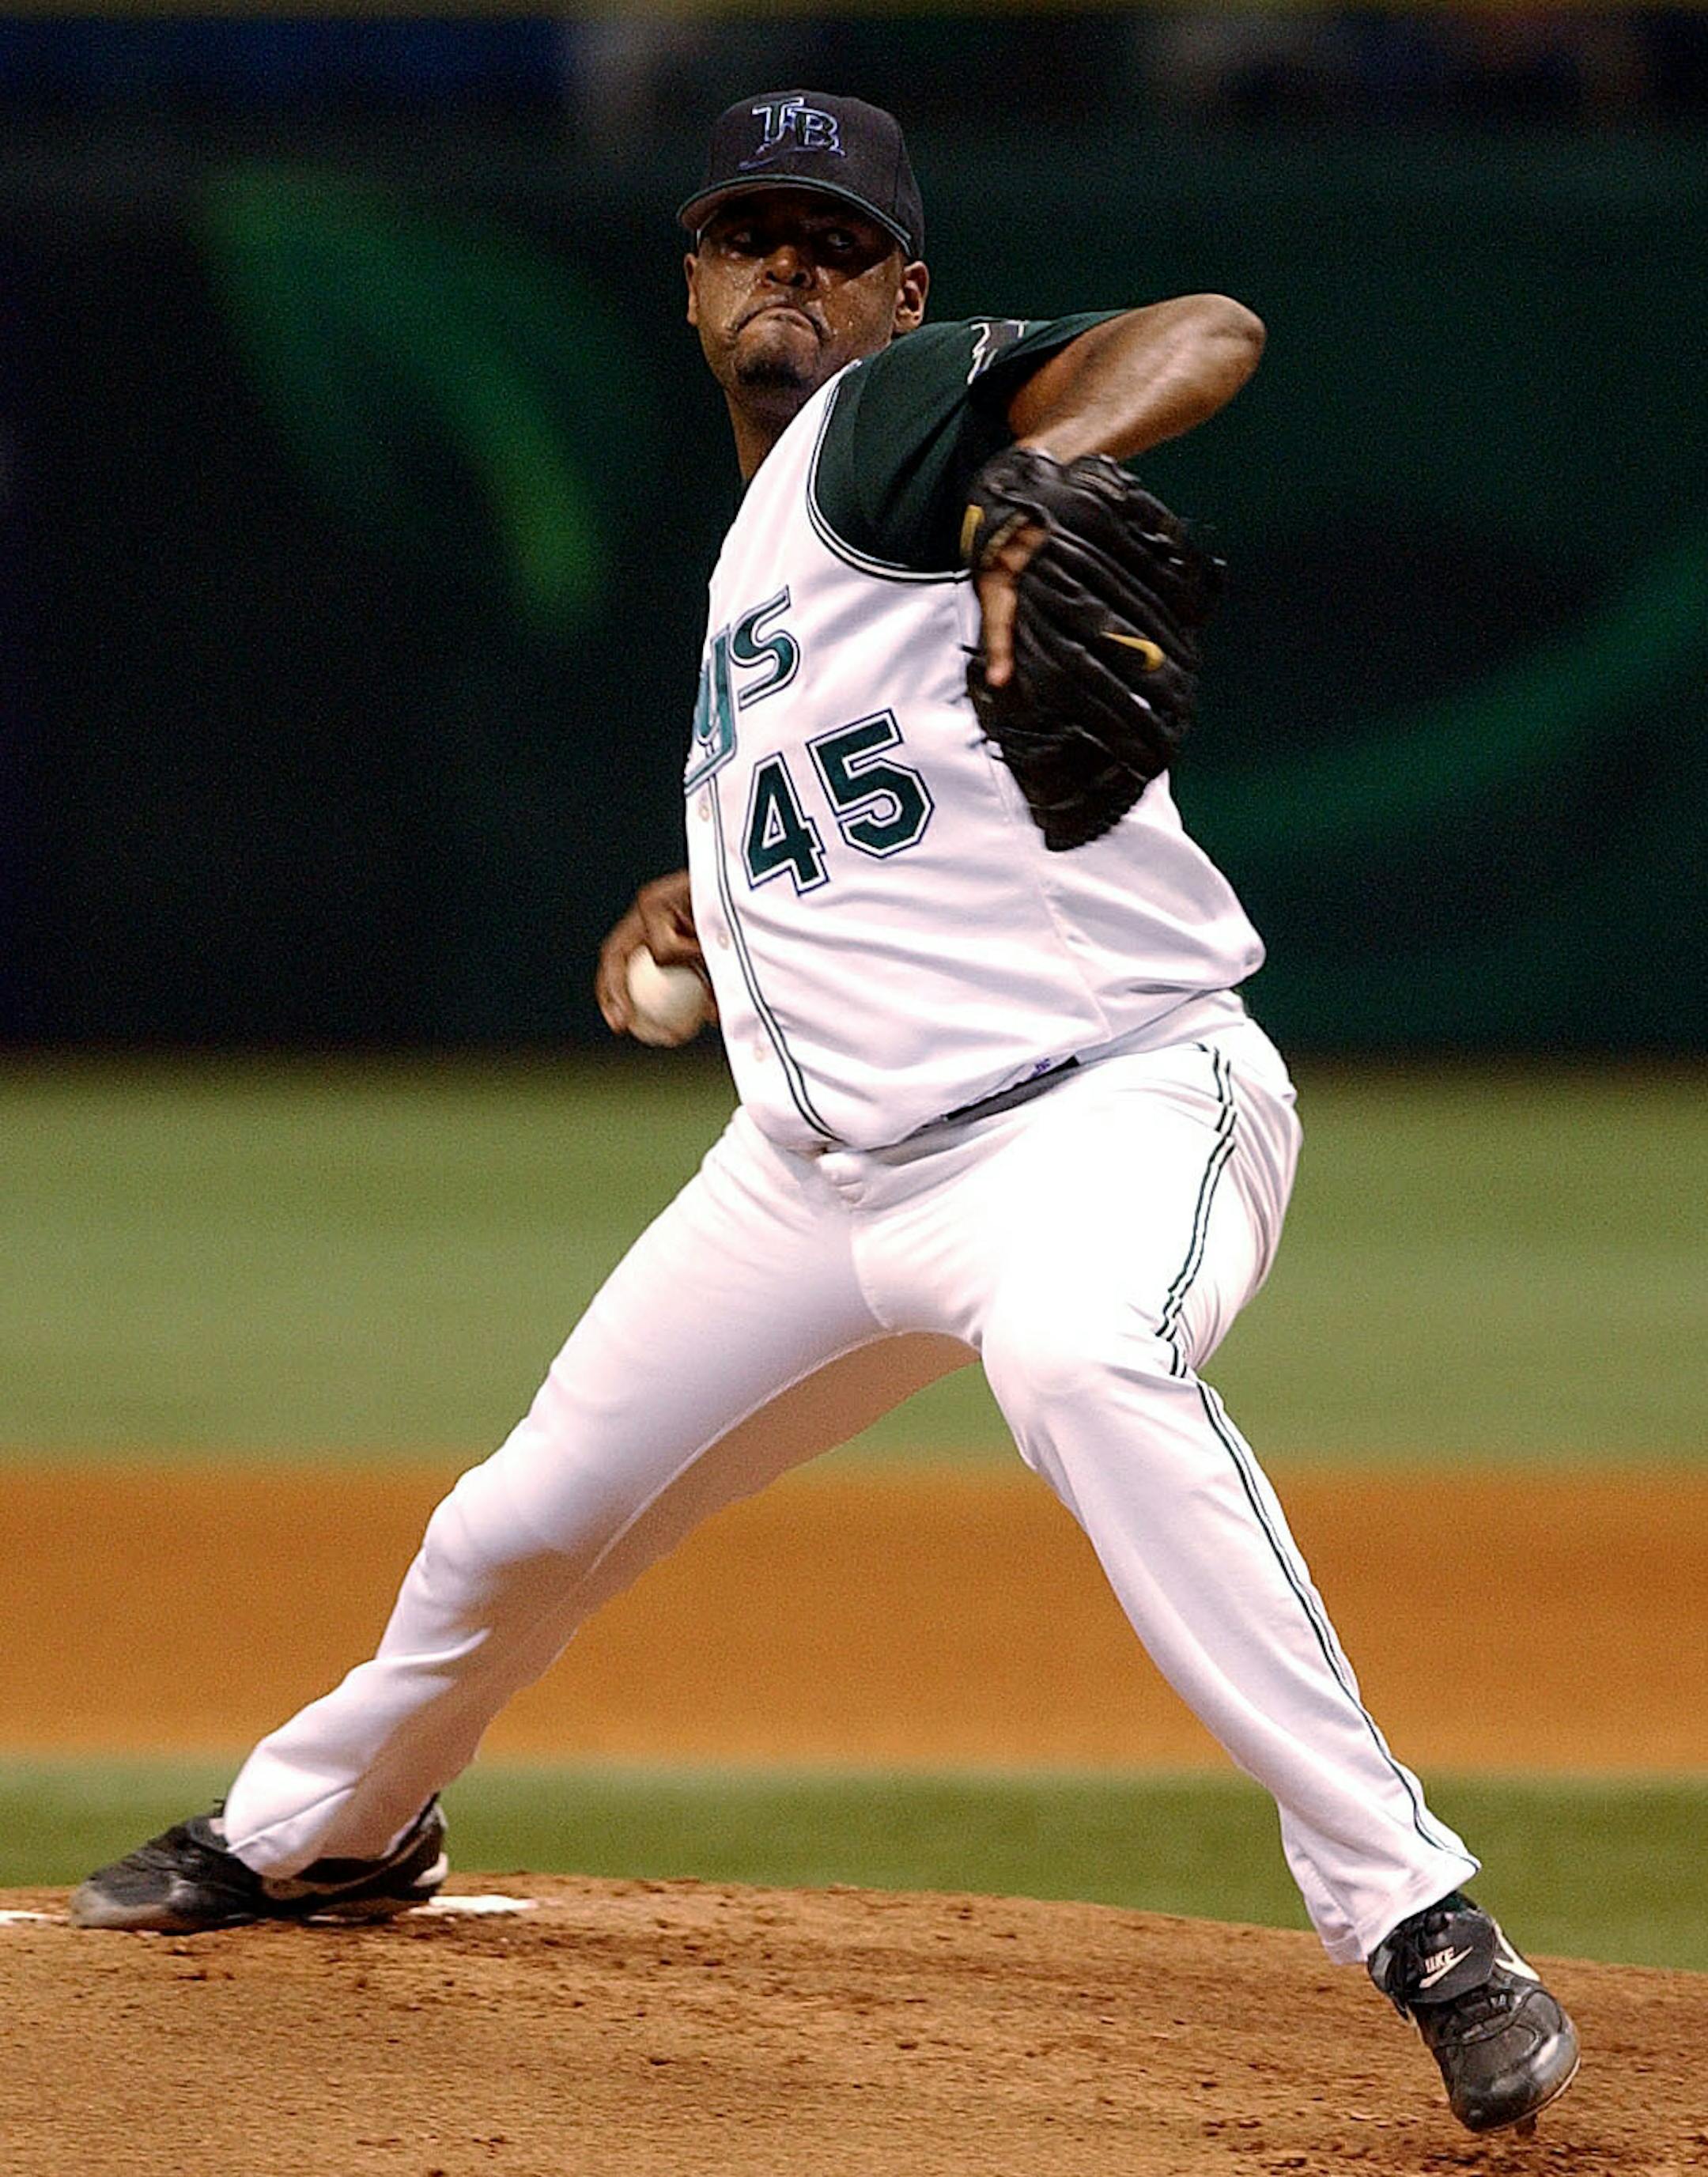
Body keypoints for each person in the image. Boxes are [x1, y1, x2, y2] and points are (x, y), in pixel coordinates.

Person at [73, 90, 1578, 2137]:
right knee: (513, 1525)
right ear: (689, 284)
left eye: (830, 237)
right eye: (746, 232)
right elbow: (866, 810)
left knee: (1080, 1357)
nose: (787, 266)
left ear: (903, 294)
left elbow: (1208, 322)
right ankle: (330, 1828)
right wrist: (700, 892)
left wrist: (1044, 469)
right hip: (811, 1176)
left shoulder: (891, 430)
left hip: (1103, 1112)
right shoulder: (764, 561)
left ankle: (1419, 1918)